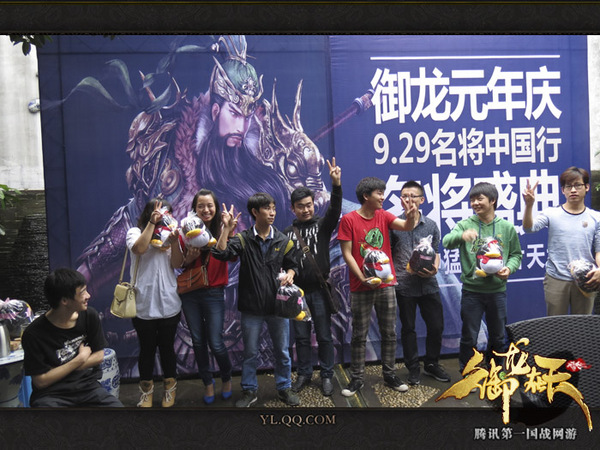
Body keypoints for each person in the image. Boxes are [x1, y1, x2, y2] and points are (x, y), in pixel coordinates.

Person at [212, 193, 299, 407]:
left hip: (278, 306)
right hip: (251, 308)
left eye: (274, 208)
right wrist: (226, 229)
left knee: (282, 352)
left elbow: (293, 265)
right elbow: (220, 254)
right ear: (255, 212)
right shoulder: (243, 239)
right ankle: (249, 390)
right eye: (267, 208)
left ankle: (284, 387)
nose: (272, 213)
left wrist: (290, 274)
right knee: (250, 353)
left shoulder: (283, 240)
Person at [337, 176, 417, 397]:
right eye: (379, 193)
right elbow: (347, 254)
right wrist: (362, 278)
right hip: (360, 285)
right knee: (359, 335)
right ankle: (357, 378)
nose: (383, 197)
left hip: (386, 284)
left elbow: (406, 226)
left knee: (389, 332)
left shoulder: (383, 215)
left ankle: (390, 374)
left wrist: (411, 215)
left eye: (383, 193)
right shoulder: (349, 220)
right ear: (366, 196)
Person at [442, 182, 522, 372]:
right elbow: (446, 242)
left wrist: (509, 268)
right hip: (472, 292)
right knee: (469, 336)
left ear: (492, 200)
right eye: (472, 200)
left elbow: (516, 255)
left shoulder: (506, 227)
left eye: (479, 199)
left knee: (498, 336)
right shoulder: (465, 225)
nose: (475, 203)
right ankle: (468, 371)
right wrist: (462, 236)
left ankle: (496, 371)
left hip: (497, 291)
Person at [21, 268, 123, 407]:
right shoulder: (34, 334)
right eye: (82, 292)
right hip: (51, 395)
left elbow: (99, 356)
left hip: (88, 389)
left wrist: (58, 370)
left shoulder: (89, 316)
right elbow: (41, 381)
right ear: (65, 300)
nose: (88, 296)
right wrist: (80, 359)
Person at [285, 158, 342, 397]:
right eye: (301, 206)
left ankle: (327, 375)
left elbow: (335, 210)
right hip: (297, 293)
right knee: (301, 337)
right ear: (293, 208)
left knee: (325, 336)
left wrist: (336, 185)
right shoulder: (287, 234)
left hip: (319, 290)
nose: (306, 209)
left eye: (309, 205)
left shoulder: (322, 225)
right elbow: (285, 263)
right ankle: (304, 373)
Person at [175, 189, 233, 404]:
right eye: (201, 206)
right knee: (198, 342)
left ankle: (226, 378)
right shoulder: (186, 229)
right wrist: (189, 259)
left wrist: (226, 230)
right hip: (190, 292)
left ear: (216, 207)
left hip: (214, 292)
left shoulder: (224, 228)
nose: (206, 210)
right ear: (194, 208)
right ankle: (208, 383)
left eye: (210, 205)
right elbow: (178, 264)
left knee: (216, 342)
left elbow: (227, 255)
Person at [390, 181, 451, 386]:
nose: (408, 200)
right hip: (404, 286)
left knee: (436, 326)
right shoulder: (394, 224)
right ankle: (413, 368)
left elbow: (436, 251)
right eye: (404, 196)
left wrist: (435, 268)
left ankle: (432, 363)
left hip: (429, 284)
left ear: (422, 199)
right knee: (408, 328)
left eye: (413, 196)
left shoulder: (431, 225)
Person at [126, 198, 183, 407]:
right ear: (149, 213)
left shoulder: (171, 234)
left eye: (167, 213)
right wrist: (152, 223)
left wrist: (174, 242)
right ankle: (146, 392)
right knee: (147, 349)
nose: (164, 217)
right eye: (159, 212)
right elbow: (139, 249)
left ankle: (170, 389)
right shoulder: (134, 232)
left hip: (169, 302)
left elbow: (177, 263)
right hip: (143, 303)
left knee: (167, 348)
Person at [522, 167, 600, 315]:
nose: (573, 190)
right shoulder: (551, 213)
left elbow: (599, 250)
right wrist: (529, 205)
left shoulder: (596, 218)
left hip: (586, 278)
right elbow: (529, 228)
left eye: (578, 185)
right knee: (556, 325)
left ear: (587, 187)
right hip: (556, 278)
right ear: (563, 190)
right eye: (568, 186)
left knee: (582, 325)